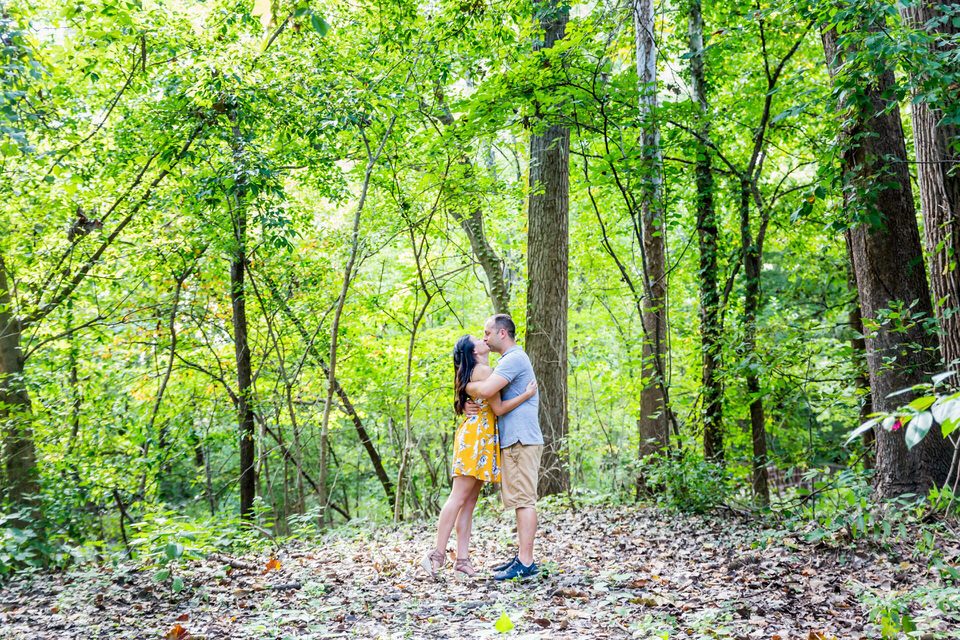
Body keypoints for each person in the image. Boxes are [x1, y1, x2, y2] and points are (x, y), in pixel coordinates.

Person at [420, 334, 537, 579]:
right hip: (476, 439)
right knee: (458, 497)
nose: (484, 340)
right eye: (478, 339)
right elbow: (499, 408)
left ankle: (462, 561)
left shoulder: (474, 371)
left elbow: (473, 393)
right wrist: (527, 395)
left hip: (482, 439)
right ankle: (437, 554)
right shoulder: (483, 372)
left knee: (469, 502)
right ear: (472, 351)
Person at [465, 314, 542, 581]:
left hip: (522, 439)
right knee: (519, 500)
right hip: (515, 440)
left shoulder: (513, 359)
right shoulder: (506, 361)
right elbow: (493, 403)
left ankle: (526, 562)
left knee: (523, 501)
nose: (484, 338)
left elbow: (486, 391)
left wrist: (462, 385)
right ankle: (523, 557)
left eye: (487, 333)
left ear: (501, 334)